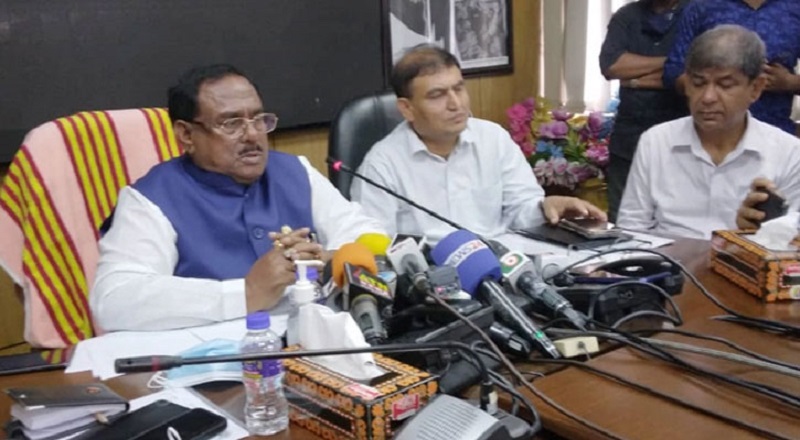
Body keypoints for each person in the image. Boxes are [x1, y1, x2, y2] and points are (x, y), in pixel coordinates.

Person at [90, 64, 385, 332]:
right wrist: (246, 293)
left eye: (259, 119)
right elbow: (114, 300)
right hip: (210, 360)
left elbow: (370, 235)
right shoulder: (152, 199)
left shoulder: (295, 171)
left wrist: (326, 259)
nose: (252, 135)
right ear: (186, 135)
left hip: (311, 344)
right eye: (231, 123)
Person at [350, 44, 605, 244]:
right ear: (407, 108)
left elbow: (520, 209)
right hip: (430, 281)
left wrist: (545, 206)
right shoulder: (381, 165)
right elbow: (376, 244)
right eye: (437, 95)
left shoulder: (493, 138)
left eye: (459, 89)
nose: (456, 104)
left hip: (502, 266)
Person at [617, 25, 800, 239]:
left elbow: (791, 242)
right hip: (664, 258)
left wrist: (755, 233)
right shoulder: (656, 141)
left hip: (746, 258)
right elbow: (631, 229)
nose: (708, 97)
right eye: (698, 83)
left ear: (756, 88)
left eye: (725, 85)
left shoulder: (788, 152)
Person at [599, 0, 691, 222]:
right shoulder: (626, 15)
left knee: (674, 221)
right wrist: (672, 61)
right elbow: (611, 65)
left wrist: (635, 80)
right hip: (628, 140)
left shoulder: (696, 12)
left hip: (680, 142)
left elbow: (694, 76)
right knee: (622, 220)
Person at [663, 0, 800, 134]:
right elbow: (673, 72)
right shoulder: (702, 7)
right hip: (707, 131)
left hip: (775, 132)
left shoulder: (794, 7)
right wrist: (709, 83)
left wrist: (790, 82)